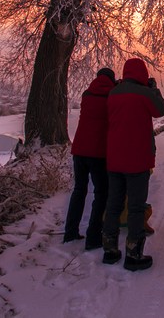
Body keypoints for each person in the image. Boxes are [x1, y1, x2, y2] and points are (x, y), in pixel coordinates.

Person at [102, 58, 164, 271]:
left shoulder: (113, 93)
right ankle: (133, 253)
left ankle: (110, 250)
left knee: (114, 204)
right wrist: (154, 89)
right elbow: (161, 110)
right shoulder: (145, 94)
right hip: (138, 160)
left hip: (115, 159)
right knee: (136, 207)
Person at [63, 67, 116, 248]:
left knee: (79, 190)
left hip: (79, 150)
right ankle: (93, 236)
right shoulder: (112, 96)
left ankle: (70, 232)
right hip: (98, 152)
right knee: (101, 193)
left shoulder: (87, 94)